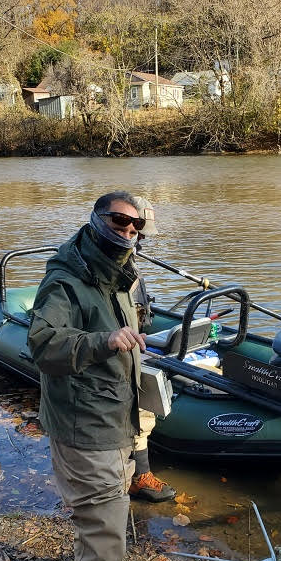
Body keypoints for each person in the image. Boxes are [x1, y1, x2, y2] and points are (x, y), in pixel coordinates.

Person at [28, 191, 146, 561]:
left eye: (136, 226)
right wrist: (104, 340)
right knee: (101, 526)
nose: (128, 232)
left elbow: (126, 325)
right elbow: (43, 344)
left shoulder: (119, 276)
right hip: (85, 423)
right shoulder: (65, 280)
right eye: (119, 221)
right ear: (97, 220)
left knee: (113, 508)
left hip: (117, 416)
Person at [128, 196, 176, 503]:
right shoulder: (96, 266)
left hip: (134, 341)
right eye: (136, 234)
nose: (139, 241)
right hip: (113, 350)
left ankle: (136, 473)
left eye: (141, 235)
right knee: (140, 409)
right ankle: (138, 476)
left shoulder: (128, 265)